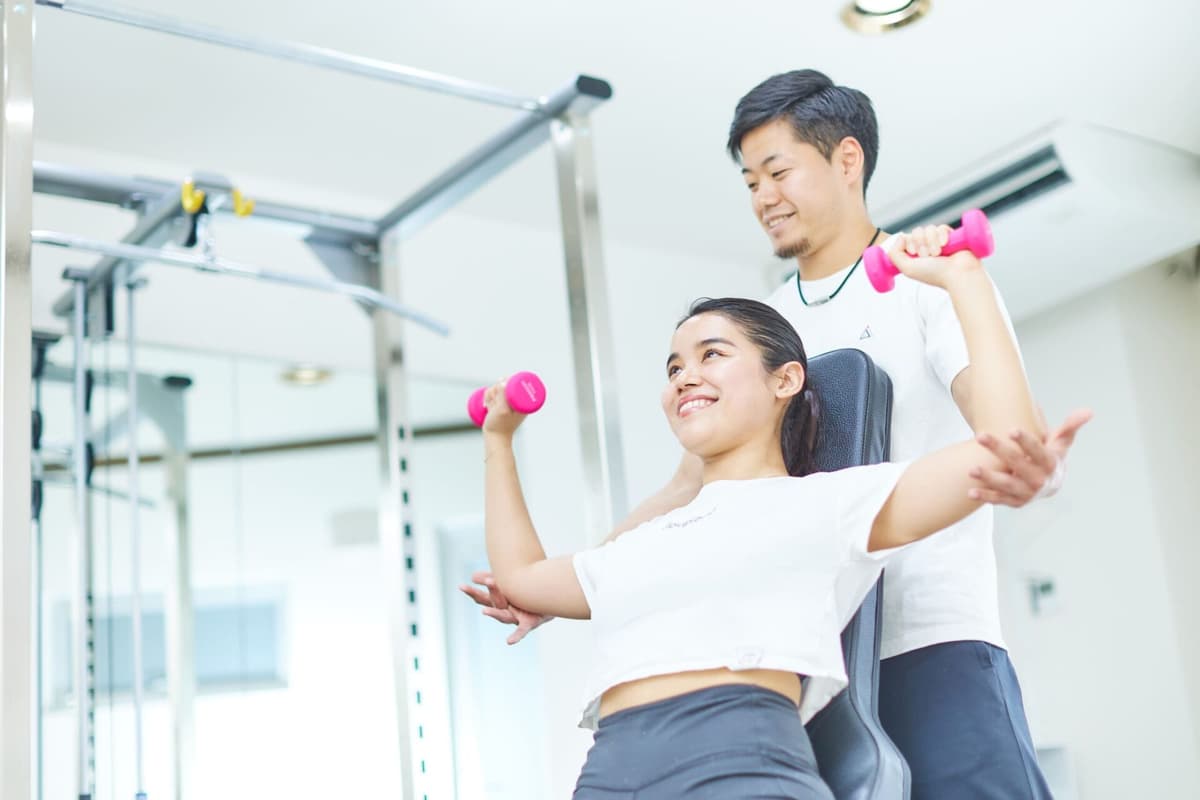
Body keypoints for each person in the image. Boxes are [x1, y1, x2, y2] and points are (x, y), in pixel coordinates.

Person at [466, 70, 1092, 798]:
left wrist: (964, 281)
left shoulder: (927, 282)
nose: (763, 196)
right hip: (809, 649)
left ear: (847, 160)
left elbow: (1011, 437)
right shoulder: (758, 325)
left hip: (925, 633)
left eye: (778, 171)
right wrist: (576, 584)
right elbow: (686, 490)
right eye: (749, 181)